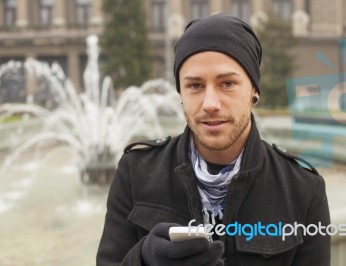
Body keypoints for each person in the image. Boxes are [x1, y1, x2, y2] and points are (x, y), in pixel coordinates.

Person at [96, 13, 331, 266]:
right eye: (195, 86)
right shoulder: (135, 172)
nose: (210, 104)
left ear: (253, 90)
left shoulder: (304, 190)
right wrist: (142, 259)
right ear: (180, 94)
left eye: (227, 83)